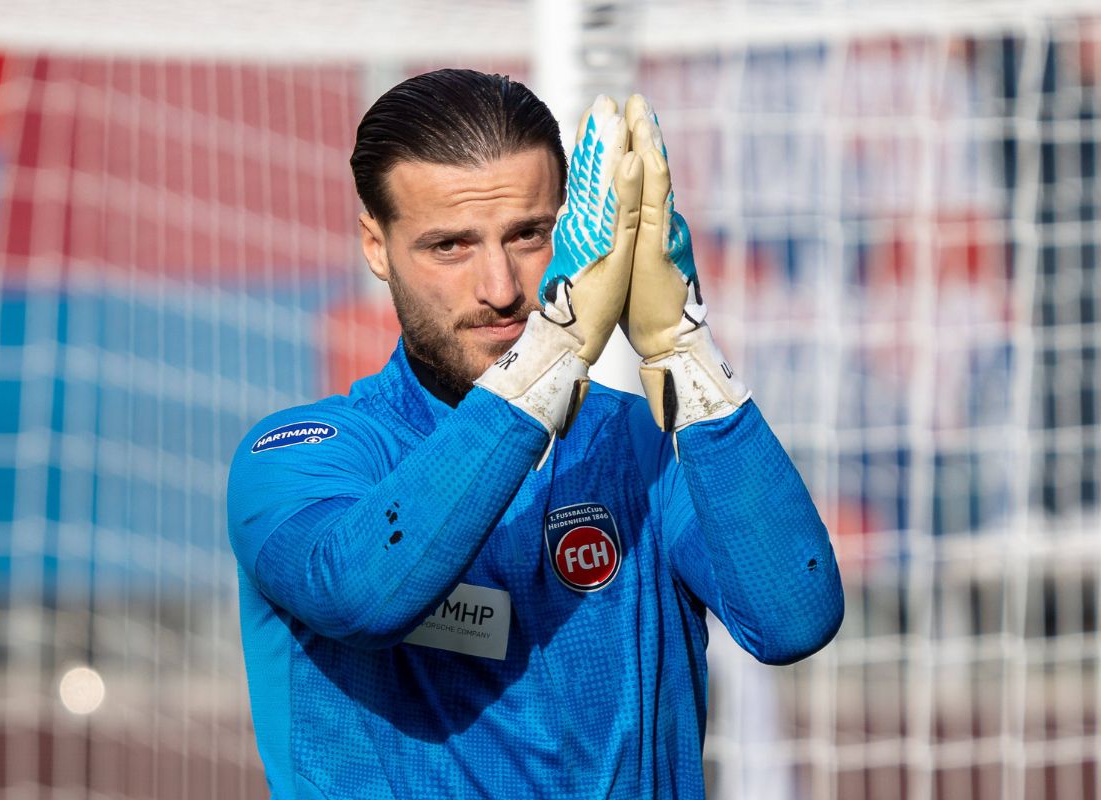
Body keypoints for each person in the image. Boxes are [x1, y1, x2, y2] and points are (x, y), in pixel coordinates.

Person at [227, 68, 843, 800]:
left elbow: (795, 619)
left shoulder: (641, 447)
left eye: (529, 235)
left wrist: (684, 350)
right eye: (450, 246)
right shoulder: (305, 458)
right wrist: (555, 348)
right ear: (375, 245)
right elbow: (363, 594)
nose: (501, 287)